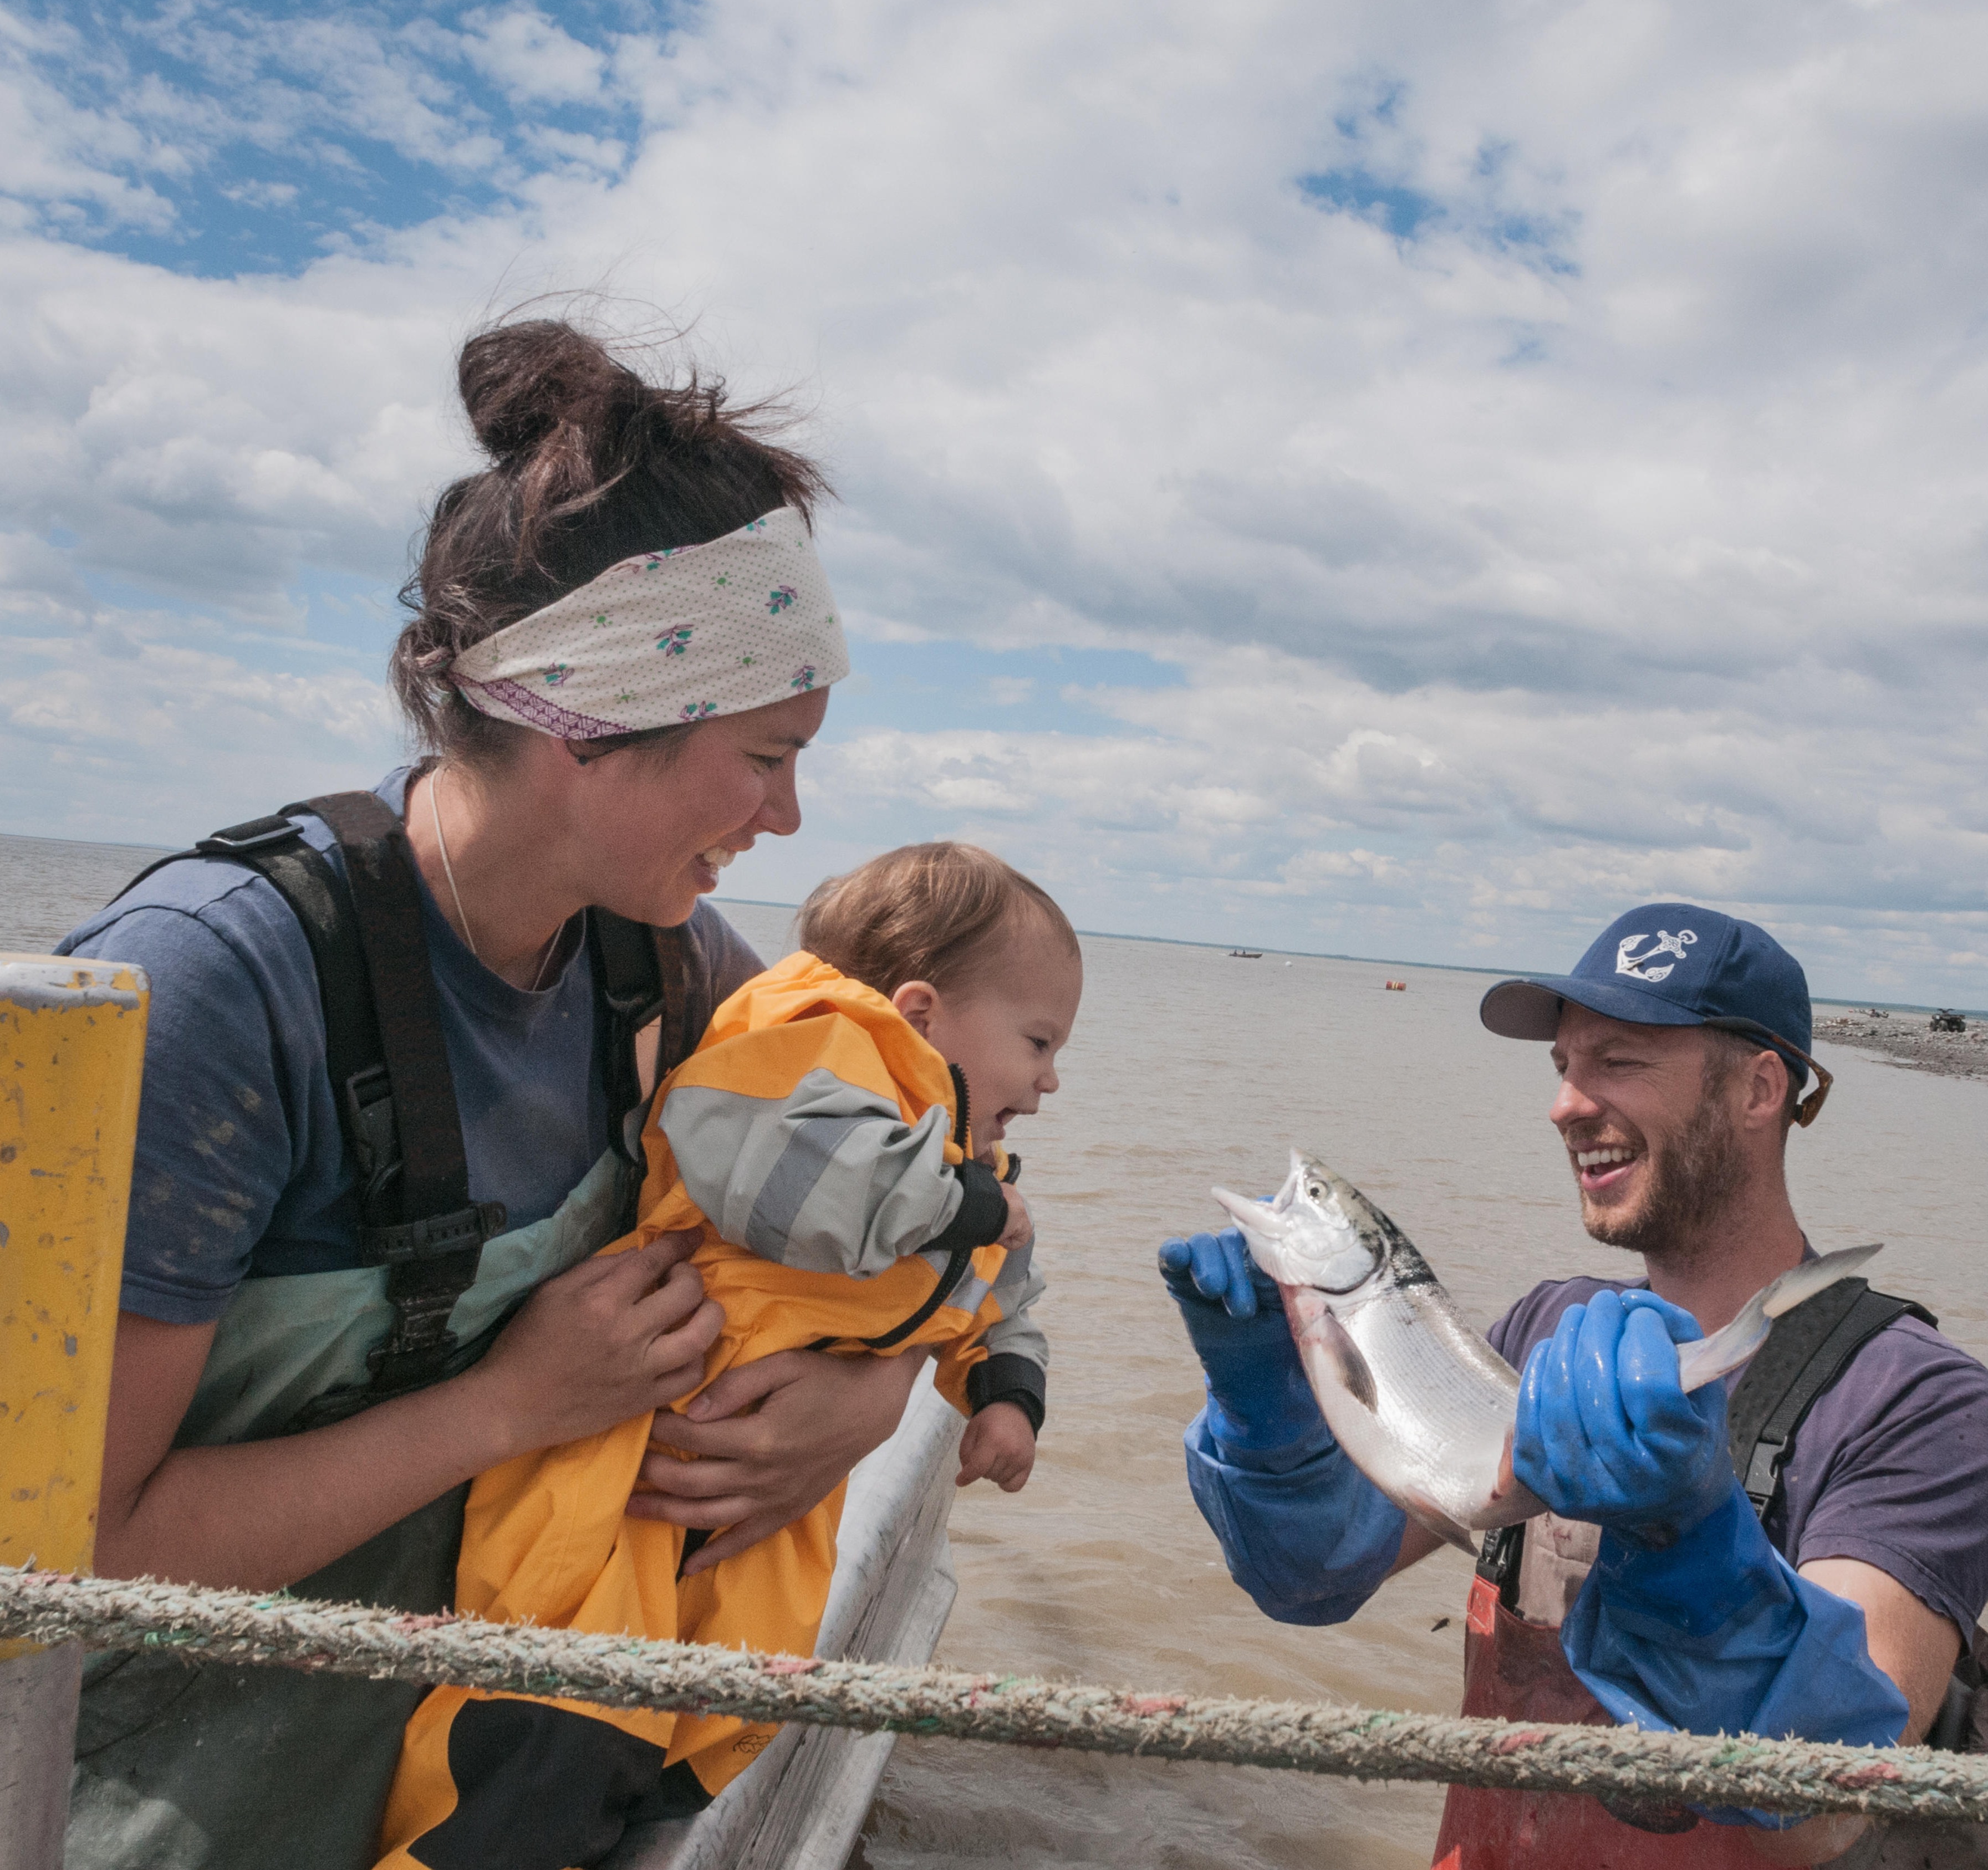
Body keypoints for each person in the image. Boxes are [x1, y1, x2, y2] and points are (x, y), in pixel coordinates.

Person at [56, 318, 937, 1870]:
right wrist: (509, 1403)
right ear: (585, 727)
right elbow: (66, 1552)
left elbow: (937, 1191)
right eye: (766, 754)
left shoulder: (659, 967)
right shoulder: (224, 988)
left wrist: (859, 1402)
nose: (791, 817)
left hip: (443, 1793)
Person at [1162, 903, 1988, 1868]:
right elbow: (1309, 1577)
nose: (1565, 1103)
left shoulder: (1919, 1402)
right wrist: (1275, 1419)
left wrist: (1688, 1545)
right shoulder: (1542, 1330)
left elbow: (1832, 1796)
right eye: (1563, 1066)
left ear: (1762, 1086)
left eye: (1619, 1060)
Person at [375, 841, 1076, 1867]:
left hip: (758, 1518)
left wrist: (1009, 1394)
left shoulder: (968, 1170)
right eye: (1038, 1042)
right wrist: (967, 1202)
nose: (1051, 1081)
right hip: (619, 1482)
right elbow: (797, 1184)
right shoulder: (808, 1045)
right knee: (539, 1738)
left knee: (693, 1739)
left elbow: (996, 1300)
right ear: (920, 1011)